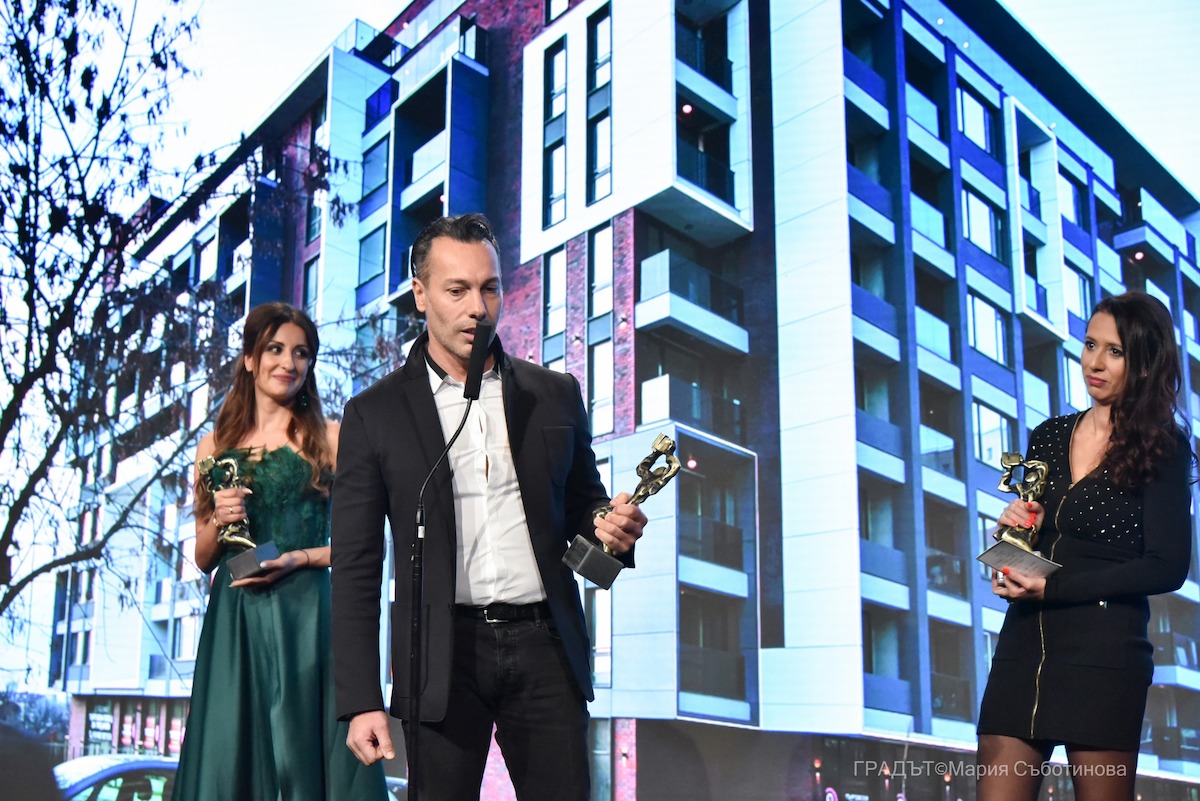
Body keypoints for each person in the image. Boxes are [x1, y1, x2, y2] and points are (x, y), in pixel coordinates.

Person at [330, 213, 648, 801]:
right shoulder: (373, 414)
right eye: (457, 290)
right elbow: (354, 567)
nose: (478, 307)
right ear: (421, 293)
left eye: (490, 288)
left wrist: (610, 527)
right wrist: (360, 700)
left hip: (547, 646)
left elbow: (583, 505)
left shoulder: (555, 393)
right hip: (440, 657)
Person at [976, 291, 1194, 801]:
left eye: (1114, 351)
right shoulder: (1049, 436)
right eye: (1091, 345)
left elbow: (1166, 567)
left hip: (1105, 657)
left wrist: (1053, 588)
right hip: (1024, 648)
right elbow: (1037, 533)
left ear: (1144, 363)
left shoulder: (1163, 448)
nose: (1094, 363)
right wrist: (1012, 534)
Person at [174, 302, 386, 801]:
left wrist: (298, 558)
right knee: (231, 759)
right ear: (250, 358)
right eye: (275, 349)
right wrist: (220, 519)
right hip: (236, 623)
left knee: (307, 753)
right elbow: (203, 559)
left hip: (308, 615)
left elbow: (362, 545)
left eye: (301, 353)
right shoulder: (213, 446)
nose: (288, 362)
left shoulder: (331, 438)